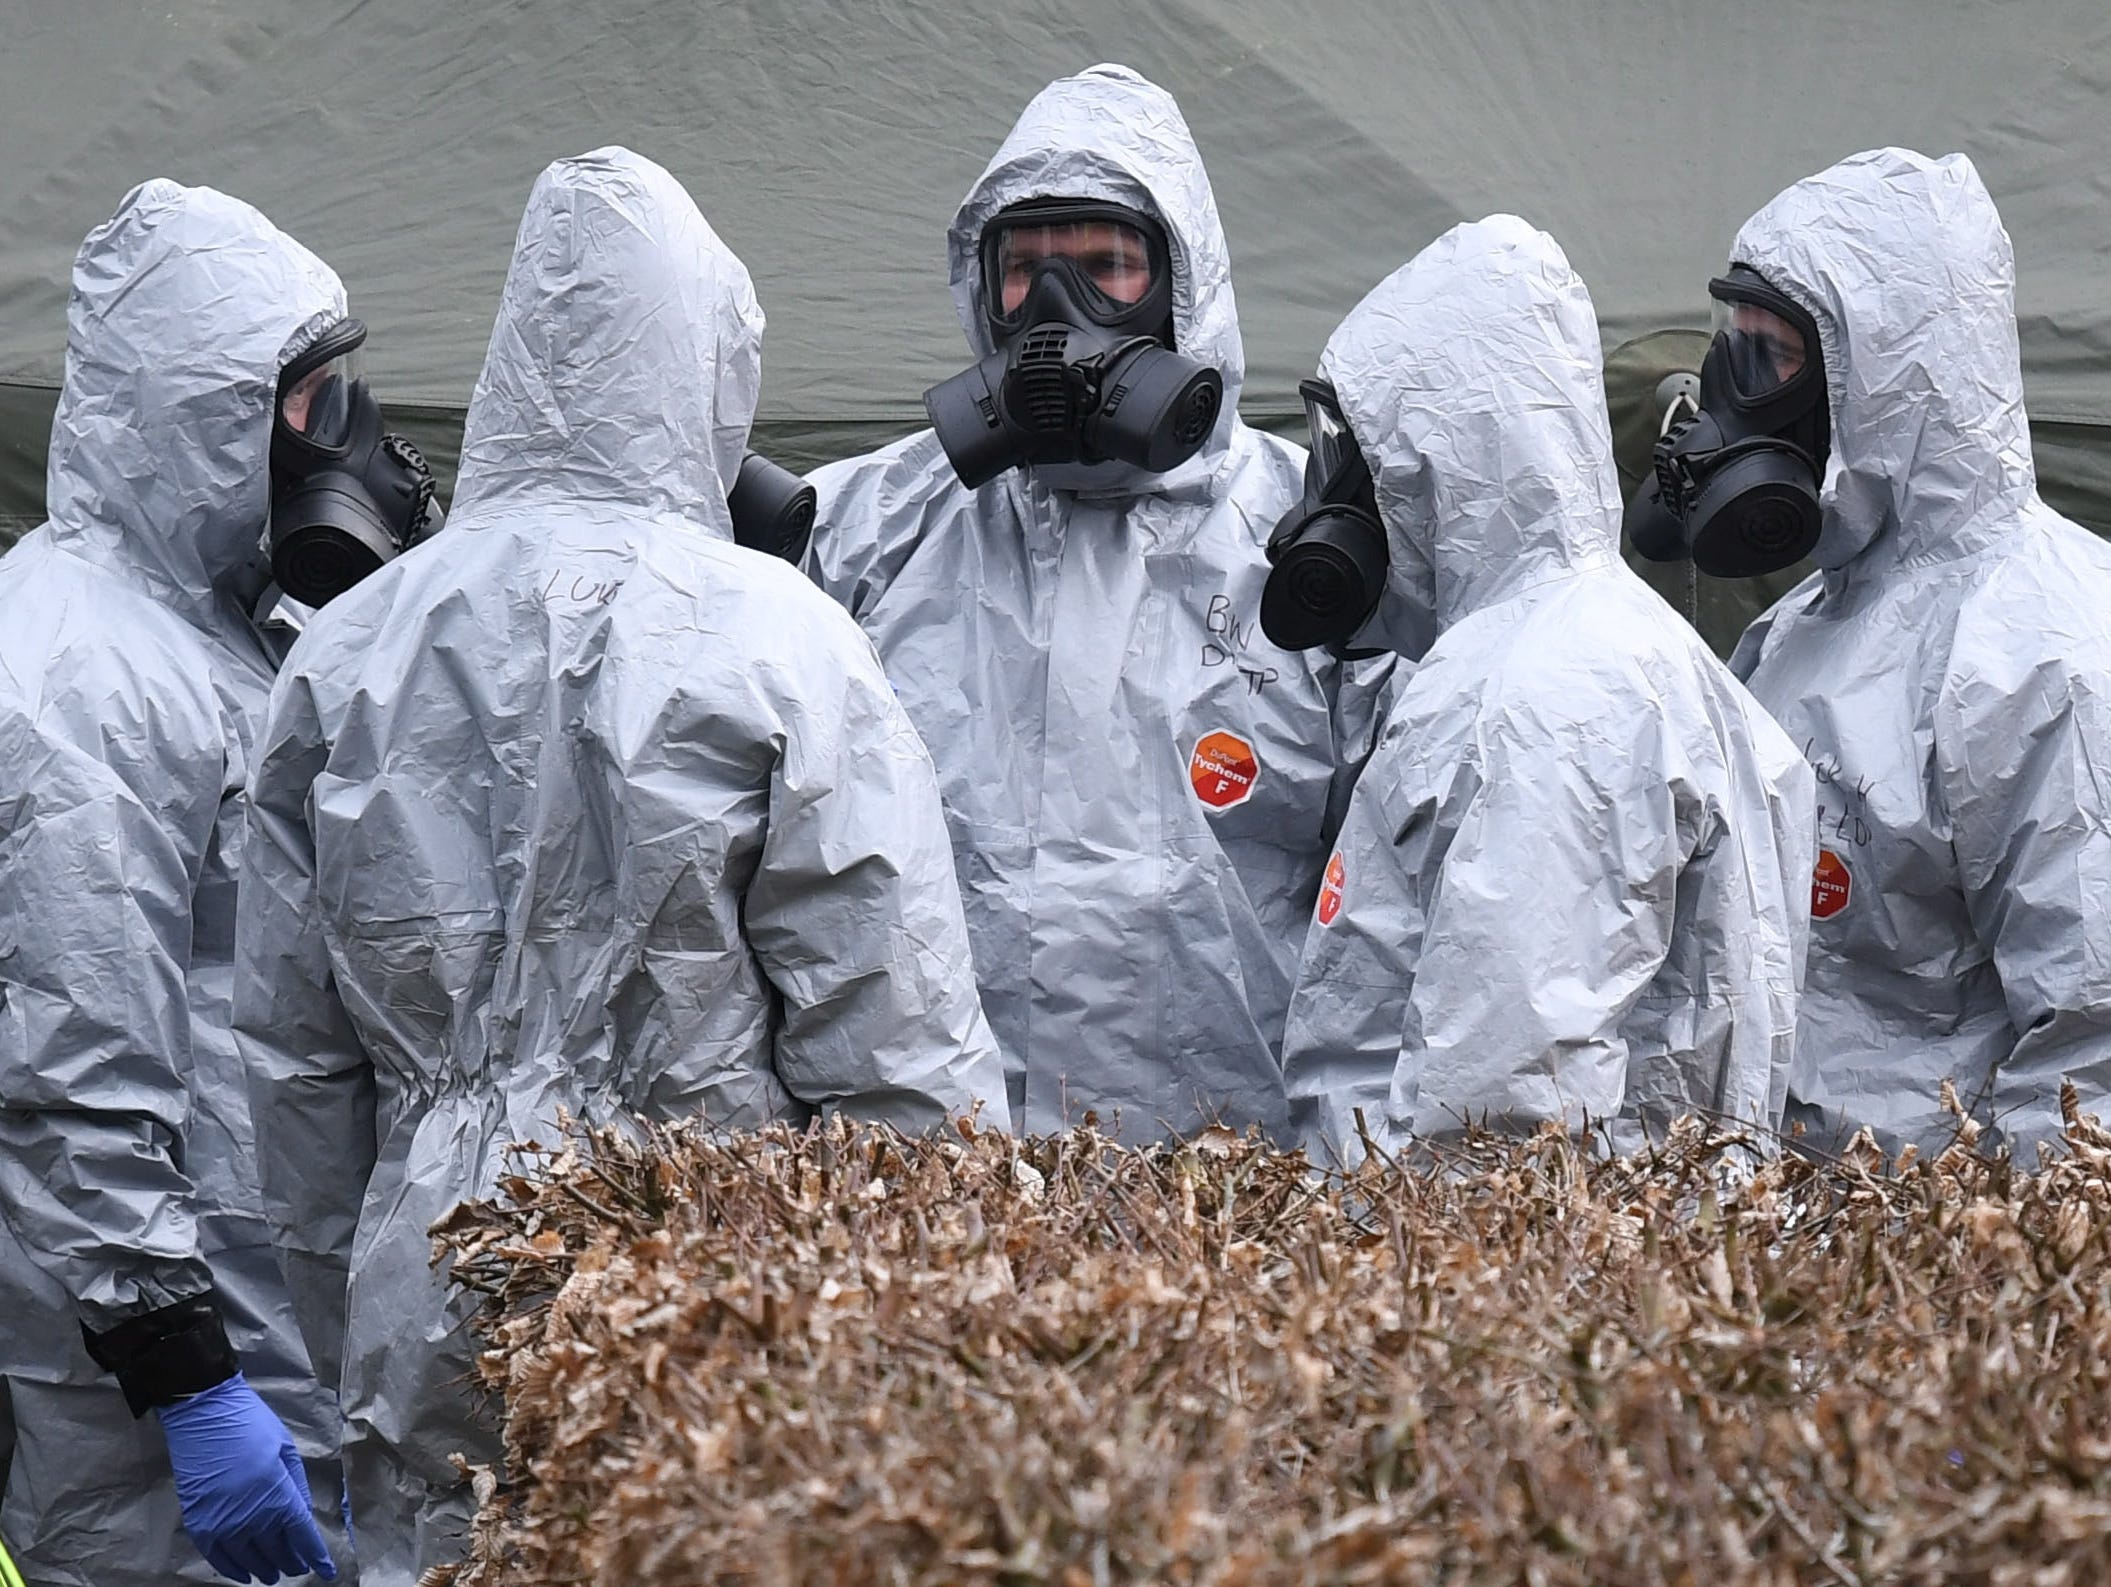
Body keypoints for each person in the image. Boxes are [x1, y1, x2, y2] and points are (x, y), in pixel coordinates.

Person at [233, 146, 1008, 1585]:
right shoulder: (778, 640)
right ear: (708, 367)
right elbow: (891, 1040)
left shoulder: (346, 651)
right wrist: (935, 1354)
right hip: (713, 1281)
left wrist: (356, 1302)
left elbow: (292, 1061)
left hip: (430, 1270)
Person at [808, 64, 1390, 1144]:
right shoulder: (863, 533)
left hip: (1229, 1178)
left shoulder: (1307, 547)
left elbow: (1388, 923)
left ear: (1186, 285)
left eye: (1104, 268)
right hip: (936, 1189)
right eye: (1021, 270)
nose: (1054, 314)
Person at [1272, 216, 1814, 1164]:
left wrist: (1398, 1287)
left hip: (1474, 1288)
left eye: (1348, 445)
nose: (1332, 491)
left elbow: (1496, 1129)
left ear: (1429, 448)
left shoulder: (1544, 699)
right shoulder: (1573, 654)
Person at [0, 181, 350, 1586]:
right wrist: (177, 1363)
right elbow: (69, 1057)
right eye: (312, 406)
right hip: (146, 1371)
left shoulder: (212, 631)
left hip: (257, 1299)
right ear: (208, 413)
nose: (344, 442)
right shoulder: (74, 666)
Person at [1719, 149, 2111, 1159]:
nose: (1738, 395)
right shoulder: (1802, 625)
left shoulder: (2049, 652)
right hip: (1767, 1259)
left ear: (1885, 372)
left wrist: (2004, 1292)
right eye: (1737, 349)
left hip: (1932, 1272)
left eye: (1774, 358)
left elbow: (2090, 1055)